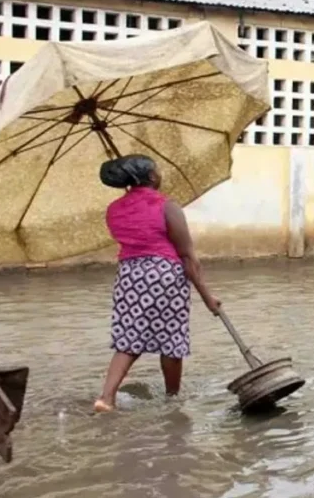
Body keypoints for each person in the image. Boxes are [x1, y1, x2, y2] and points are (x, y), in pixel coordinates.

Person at [94, 155, 221, 413]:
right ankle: (173, 399)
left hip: (129, 276)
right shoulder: (167, 206)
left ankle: (106, 398)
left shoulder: (114, 210)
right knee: (172, 339)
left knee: (128, 339)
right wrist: (208, 297)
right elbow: (187, 256)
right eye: (158, 170)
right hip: (164, 275)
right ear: (152, 176)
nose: (160, 174)